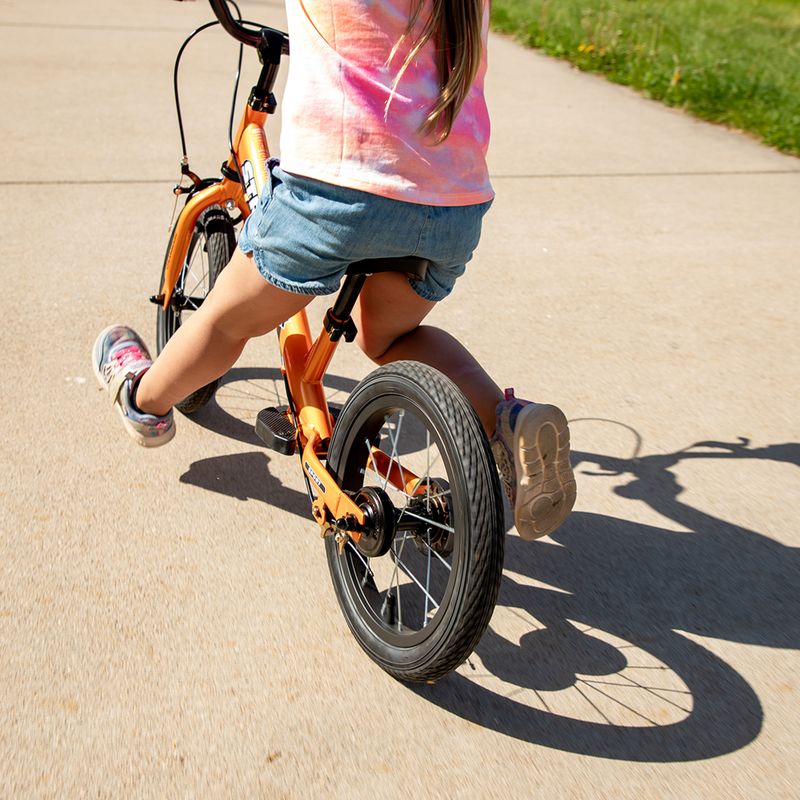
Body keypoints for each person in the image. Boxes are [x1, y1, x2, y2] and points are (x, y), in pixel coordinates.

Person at [93, 0, 576, 540]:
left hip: (338, 194)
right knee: (391, 336)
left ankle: (143, 401)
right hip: (451, 206)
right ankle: (507, 420)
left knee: (227, 322)